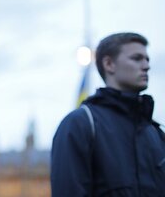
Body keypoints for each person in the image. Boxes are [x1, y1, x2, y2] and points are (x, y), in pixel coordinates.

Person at [51, 32, 165, 196]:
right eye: (137, 58)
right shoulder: (81, 124)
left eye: (147, 59)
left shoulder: (155, 132)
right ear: (109, 64)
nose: (146, 65)